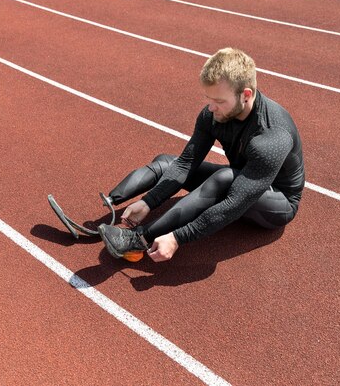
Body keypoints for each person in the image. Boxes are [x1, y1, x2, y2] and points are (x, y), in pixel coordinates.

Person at [97, 48, 305, 262]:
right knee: (167, 162)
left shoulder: (271, 137)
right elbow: (187, 163)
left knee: (223, 178)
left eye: (220, 101)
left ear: (246, 95)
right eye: (208, 98)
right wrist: (149, 202)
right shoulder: (214, 113)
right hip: (241, 176)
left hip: (277, 202)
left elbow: (234, 204)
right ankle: (114, 200)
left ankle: (137, 239)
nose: (211, 107)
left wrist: (178, 238)